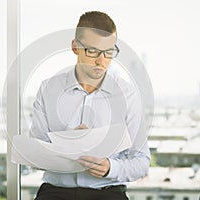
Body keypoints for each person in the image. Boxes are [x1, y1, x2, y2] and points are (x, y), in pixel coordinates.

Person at [30, 11, 150, 200]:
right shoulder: (48, 89)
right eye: (92, 51)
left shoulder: (126, 94)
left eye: (109, 52)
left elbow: (142, 162)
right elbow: (35, 155)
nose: (101, 61)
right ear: (75, 47)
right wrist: (68, 145)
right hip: (55, 193)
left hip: (107, 193)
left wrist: (110, 167)